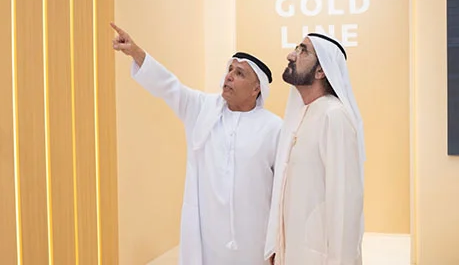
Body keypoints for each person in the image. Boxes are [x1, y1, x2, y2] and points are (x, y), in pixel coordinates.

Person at [111, 22, 282, 265]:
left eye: (239, 73)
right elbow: (169, 86)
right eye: (230, 70)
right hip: (208, 242)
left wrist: (276, 243)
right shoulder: (202, 110)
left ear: (257, 89)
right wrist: (135, 52)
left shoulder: (274, 128)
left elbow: (281, 192)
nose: (229, 76)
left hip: (255, 241)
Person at [264, 33, 365, 265]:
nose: (291, 55)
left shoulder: (334, 116)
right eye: (296, 48)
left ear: (321, 71)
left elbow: (345, 204)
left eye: (303, 51)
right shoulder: (302, 115)